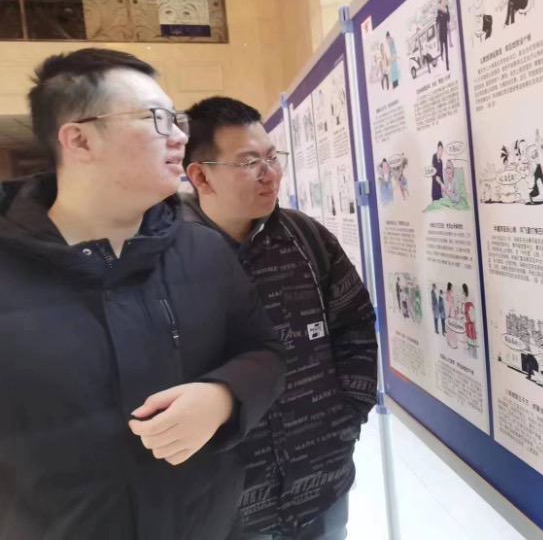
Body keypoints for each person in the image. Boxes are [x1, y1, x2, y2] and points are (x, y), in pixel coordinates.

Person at [0, 49, 286, 539]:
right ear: (79, 139)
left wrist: (223, 396)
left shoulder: (202, 250)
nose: (179, 137)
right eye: (156, 119)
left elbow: (264, 352)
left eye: (177, 120)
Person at [182, 97, 378, 540]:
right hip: (228, 507)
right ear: (201, 176)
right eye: (249, 163)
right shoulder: (170, 256)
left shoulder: (306, 239)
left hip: (322, 484)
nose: (270, 174)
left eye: (273, 158)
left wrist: (347, 418)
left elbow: (355, 327)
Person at [436, 0, 450, 70]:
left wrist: (446, 12)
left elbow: (448, 19)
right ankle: (442, 57)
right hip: (441, 32)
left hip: (444, 31)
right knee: (442, 49)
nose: (444, 1)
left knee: (446, 49)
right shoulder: (439, 9)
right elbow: (437, 20)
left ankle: (447, 66)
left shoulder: (445, 9)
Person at [462, 284, 477, 359]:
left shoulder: (468, 305)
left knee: (471, 342)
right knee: (470, 342)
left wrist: (466, 319)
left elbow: (472, 318)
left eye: (462, 292)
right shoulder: (466, 304)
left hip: (470, 326)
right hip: (468, 326)